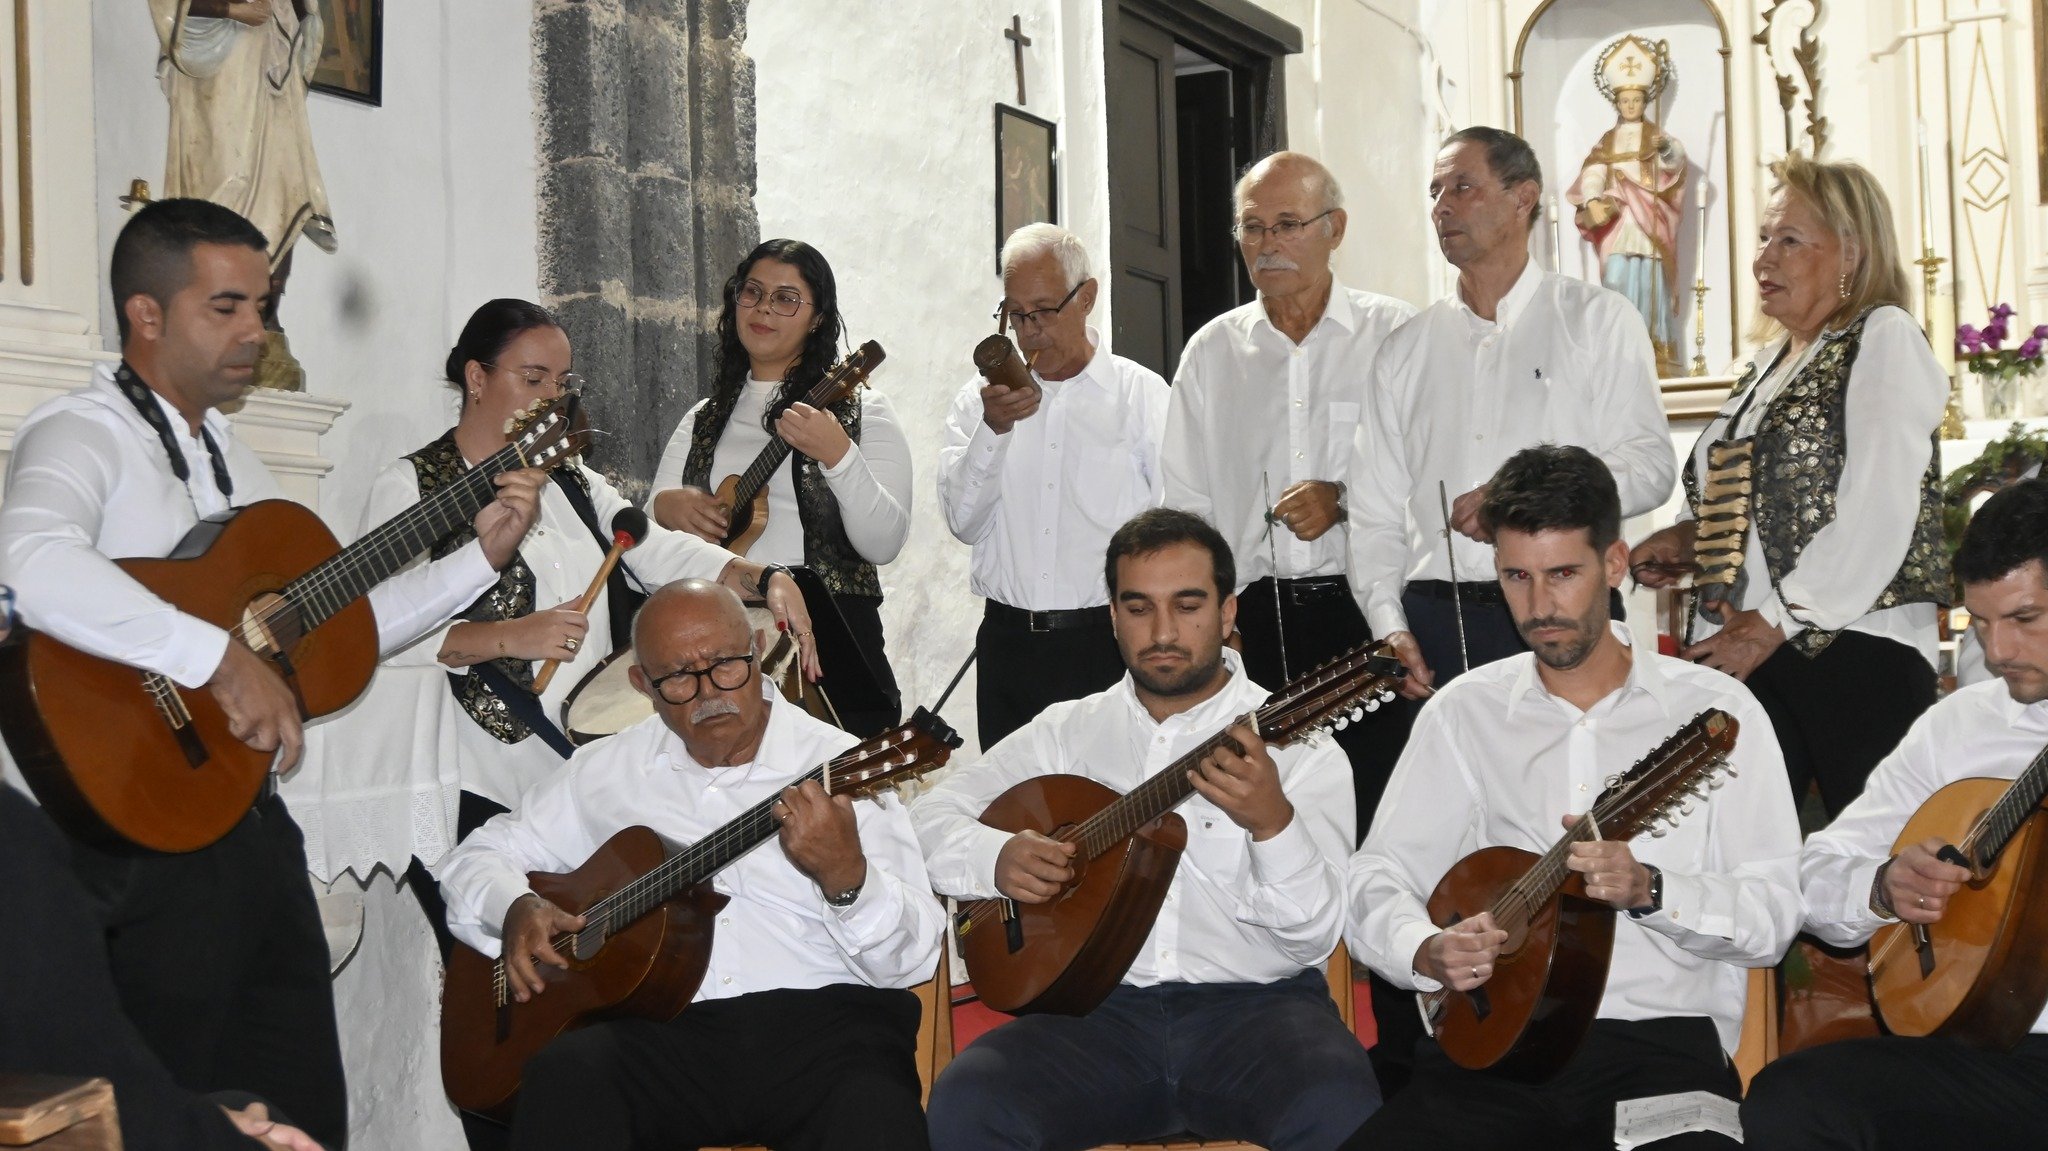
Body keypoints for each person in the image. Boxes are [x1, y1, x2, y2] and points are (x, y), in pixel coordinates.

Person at [0, 198, 545, 1149]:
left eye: (264, 304)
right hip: (137, 827)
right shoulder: (80, 433)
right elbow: (30, 561)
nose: (257, 328)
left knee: (299, 1105)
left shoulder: (239, 465)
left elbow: (341, 633)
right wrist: (209, 657)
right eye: (228, 307)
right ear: (147, 315)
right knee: (177, 1108)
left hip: (249, 828)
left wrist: (476, 561)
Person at [1342, 445, 1801, 1150]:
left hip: (1662, 1060)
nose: (1539, 604)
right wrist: (1426, 948)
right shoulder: (1464, 712)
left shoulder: (1717, 713)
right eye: (1516, 577)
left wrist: (1652, 888)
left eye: (1563, 574)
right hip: (1489, 1060)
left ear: (1614, 565)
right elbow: (1378, 877)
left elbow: (1773, 913)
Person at [368, 298, 813, 986]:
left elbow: (661, 549)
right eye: (534, 378)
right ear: (477, 378)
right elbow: (375, 634)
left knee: (575, 967)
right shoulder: (412, 484)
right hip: (468, 769)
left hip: (576, 770)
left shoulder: (573, 482)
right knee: (489, 968)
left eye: (562, 383)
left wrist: (766, 578)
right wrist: (509, 636)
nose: (552, 399)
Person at [913, 508, 1376, 1151]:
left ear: (1227, 611)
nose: (1163, 631)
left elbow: (1313, 936)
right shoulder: (1065, 731)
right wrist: (996, 857)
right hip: (1092, 1018)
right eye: (1138, 608)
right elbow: (925, 818)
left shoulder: (1303, 750)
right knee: (970, 1103)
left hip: (1259, 1017)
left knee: (1343, 1104)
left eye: (1188, 605)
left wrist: (1273, 825)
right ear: (1111, 616)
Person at [437, 580, 944, 1151]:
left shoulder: (842, 769)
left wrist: (847, 880)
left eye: (726, 664)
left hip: (826, 1035)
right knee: (569, 1076)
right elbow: (477, 857)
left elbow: (914, 959)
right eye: (678, 677)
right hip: (661, 1037)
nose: (708, 693)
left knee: (872, 1118)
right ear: (641, 684)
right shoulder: (604, 769)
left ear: (757, 650)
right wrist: (513, 905)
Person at [1631, 153, 1949, 820]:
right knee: (1748, 854)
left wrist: (1772, 621)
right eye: (1764, 239)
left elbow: (1878, 506)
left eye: (1790, 240)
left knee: (1875, 865)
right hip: (1759, 649)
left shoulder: (1881, 337)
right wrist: (1688, 539)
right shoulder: (1767, 365)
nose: (1762, 259)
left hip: (1858, 651)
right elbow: (1747, 501)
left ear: (1852, 254)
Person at [1739, 478, 2048, 1149]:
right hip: (1985, 1050)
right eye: (1981, 623)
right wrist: (1882, 885)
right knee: (1792, 1100)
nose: (1998, 652)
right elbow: (1818, 870)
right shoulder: (1963, 724)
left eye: (2024, 620)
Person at [1162, 150, 1415, 836]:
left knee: (1379, 807)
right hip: (1257, 624)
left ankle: (1369, 945)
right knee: (1269, 816)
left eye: (1287, 224)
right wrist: (1212, 616)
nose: (1268, 244)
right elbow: (1185, 504)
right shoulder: (1213, 353)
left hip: (1368, 612)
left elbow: (1430, 477)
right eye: (1252, 227)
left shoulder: (1396, 335)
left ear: (1335, 228)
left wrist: (1345, 496)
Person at [648, 239, 911, 737]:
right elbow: (647, 537)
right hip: (721, 650)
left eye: (787, 298)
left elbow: (884, 541)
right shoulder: (703, 420)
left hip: (830, 643)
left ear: (817, 320)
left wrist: (839, 454)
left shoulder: (863, 413)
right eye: (753, 292)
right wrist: (667, 506)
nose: (764, 307)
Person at [937, 222, 1168, 749]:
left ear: (1086, 297)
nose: (1029, 329)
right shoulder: (978, 403)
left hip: (1106, 645)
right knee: (1017, 814)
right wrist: (993, 431)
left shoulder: (1141, 397)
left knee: (1110, 810)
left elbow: (1177, 527)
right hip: (1008, 644)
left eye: (1043, 310)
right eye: (1016, 314)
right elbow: (964, 524)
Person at [1567, 34, 1687, 375]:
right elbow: (1593, 170)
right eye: (1625, 101)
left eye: (1636, 100)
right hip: (1619, 220)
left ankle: (1655, 347)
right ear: (1616, 103)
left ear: (1645, 101)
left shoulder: (1656, 136)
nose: (1631, 106)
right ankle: (1618, 348)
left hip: (1648, 217)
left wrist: (1666, 151)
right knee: (1617, 279)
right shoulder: (1608, 139)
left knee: (1650, 280)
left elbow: (1674, 166)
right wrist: (1592, 197)